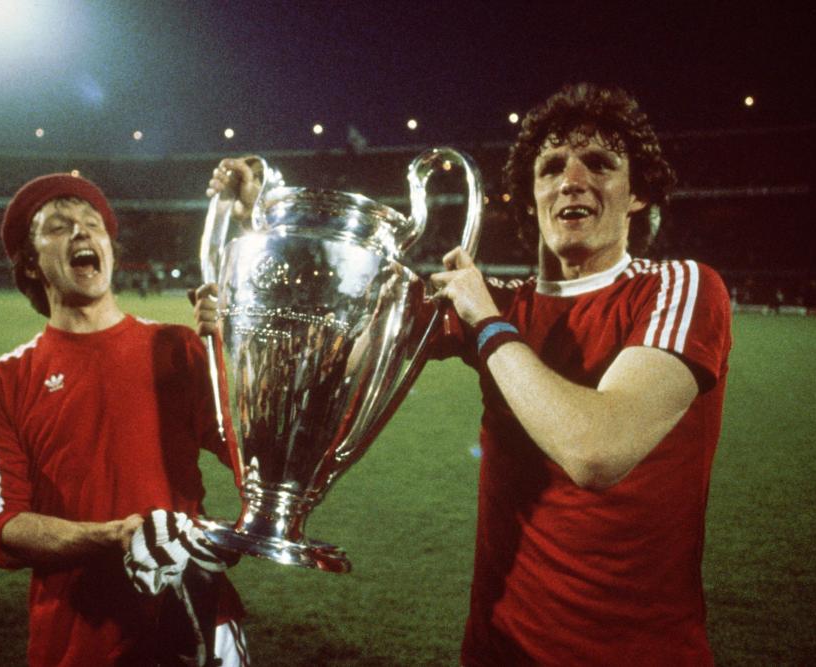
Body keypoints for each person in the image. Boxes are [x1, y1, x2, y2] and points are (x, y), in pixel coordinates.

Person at [200, 83, 731, 666]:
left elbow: (597, 450)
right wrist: (265, 236)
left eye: (600, 164)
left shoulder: (679, 286)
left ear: (638, 194)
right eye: (551, 167)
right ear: (531, 196)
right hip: (497, 649)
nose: (572, 180)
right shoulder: (504, 304)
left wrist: (486, 322)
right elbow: (334, 356)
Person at [0, 173, 249, 666]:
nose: (81, 233)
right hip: (78, 645)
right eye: (58, 226)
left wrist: (242, 343)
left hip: (199, 623)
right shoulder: (0, 382)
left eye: (93, 224)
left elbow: (255, 452)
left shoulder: (177, 349)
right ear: (29, 264)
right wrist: (112, 537)